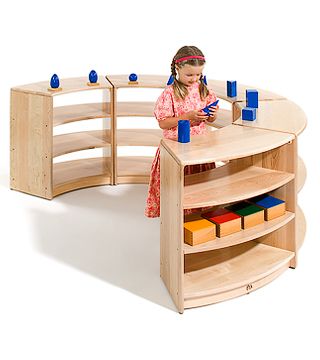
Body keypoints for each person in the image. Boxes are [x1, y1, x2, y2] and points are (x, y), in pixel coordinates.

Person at [145, 45, 218, 218]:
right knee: (178, 189)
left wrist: (212, 115)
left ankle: (197, 219)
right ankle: (175, 221)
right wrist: (186, 116)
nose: (195, 79)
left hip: (199, 149)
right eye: (190, 75)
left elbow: (211, 119)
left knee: (199, 187)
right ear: (177, 69)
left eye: (198, 74)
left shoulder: (203, 90)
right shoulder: (169, 93)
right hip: (176, 149)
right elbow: (163, 123)